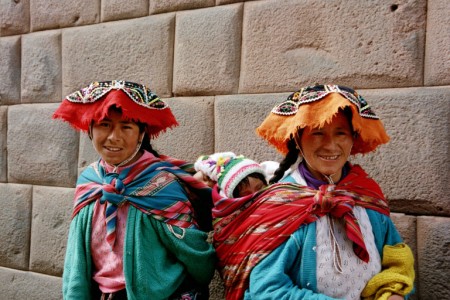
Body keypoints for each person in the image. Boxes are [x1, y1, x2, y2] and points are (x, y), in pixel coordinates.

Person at [213, 85, 415, 300]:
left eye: (341, 133)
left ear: (353, 138)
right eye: (318, 133)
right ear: (297, 140)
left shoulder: (365, 194)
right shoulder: (280, 205)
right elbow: (266, 289)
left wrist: (392, 293)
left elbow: (395, 256)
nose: (330, 146)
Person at [53, 80, 216, 300]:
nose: (113, 137)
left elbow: (195, 254)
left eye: (126, 127)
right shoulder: (89, 181)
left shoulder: (160, 184)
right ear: (90, 129)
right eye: (104, 124)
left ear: (141, 134)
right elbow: (76, 256)